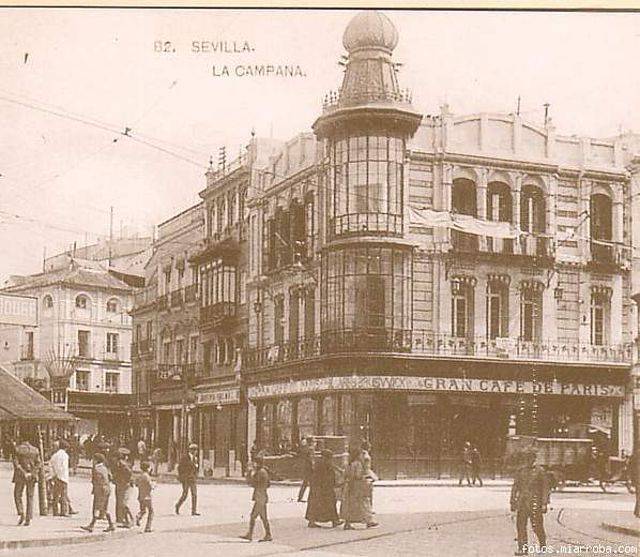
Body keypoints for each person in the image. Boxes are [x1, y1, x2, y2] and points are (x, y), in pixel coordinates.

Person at [510, 450, 550, 556]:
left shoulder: (540, 471)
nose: (529, 460)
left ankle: (543, 546)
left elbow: (545, 488)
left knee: (537, 526)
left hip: (535, 503)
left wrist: (544, 503)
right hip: (522, 503)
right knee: (521, 526)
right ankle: (523, 549)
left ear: (535, 459)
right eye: (527, 458)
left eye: (531, 458)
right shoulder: (521, 471)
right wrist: (512, 501)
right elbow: (515, 486)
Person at [341, 447, 378, 530]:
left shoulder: (349, 463)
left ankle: (347, 523)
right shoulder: (358, 464)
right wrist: (366, 477)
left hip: (350, 485)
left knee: (350, 504)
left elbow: (346, 474)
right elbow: (358, 476)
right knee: (363, 502)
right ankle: (368, 520)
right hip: (357, 485)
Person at [240, 454, 272, 542]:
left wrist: (249, 474)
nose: (253, 464)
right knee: (263, 517)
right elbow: (268, 484)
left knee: (254, 516)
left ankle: (251, 534)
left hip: (260, 497)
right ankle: (267, 534)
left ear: (257, 463)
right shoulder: (263, 471)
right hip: (262, 496)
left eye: (254, 462)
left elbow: (253, 483)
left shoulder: (260, 472)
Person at [306, 449, 342, 528]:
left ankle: (313, 521)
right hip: (323, 488)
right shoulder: (324, 464)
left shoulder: (321, 463)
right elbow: (327, 476)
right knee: (329, 504)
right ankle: (334, 520)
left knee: (316, 504)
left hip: (319, 487)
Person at [81, 453, 115, 533]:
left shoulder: (96, 469)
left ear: (96, 460)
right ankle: (110, 524)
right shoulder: (104, 468)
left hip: (100, 490)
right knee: (104, 508)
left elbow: (97, 481)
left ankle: (92, 525)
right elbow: (110, 477)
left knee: (97, 507)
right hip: (107, 489)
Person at [13, 437, 42, 526]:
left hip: (20, 476)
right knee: (30, 497)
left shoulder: (18, 449)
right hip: (32, 477)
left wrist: (24, 473)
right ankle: (28, 518)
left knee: (17, 494)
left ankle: (21, 512)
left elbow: (16, 464)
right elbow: (39, 464)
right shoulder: (35, 450)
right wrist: (32, 473)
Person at [175, 443, 200, 516]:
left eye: (196, 450)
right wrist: (181, 476)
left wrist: (196, 475)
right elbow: (179, 467)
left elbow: (196, 468)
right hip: (186, 478)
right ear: (191, 450)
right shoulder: (185, 457)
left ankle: (193, 511)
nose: (196, 452)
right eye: (194, 450)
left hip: (192, 478)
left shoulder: (195, 459)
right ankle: (178, 505)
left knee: (194, 494)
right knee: (185, 494)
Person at [112, 448, 134, 526]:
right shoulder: (123, 463)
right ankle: (123, 519)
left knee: (120, 501)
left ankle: (121, 518)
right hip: (123, 484)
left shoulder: (119, 463)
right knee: (122, 502)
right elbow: (129, 473)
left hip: (120, 484)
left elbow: (115, 474)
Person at [50, 439, 70, 516]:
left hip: (55, 477)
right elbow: (64, 467)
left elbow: (51, 465)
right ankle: (63, 511)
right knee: (63, 495)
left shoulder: (54, 455)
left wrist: (54, 475)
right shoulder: (65, 456)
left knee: (56, 495)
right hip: (63, 477)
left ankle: (55, 511)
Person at [135, 461, 154, 533]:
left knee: (143, 510)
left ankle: (138, 516)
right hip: (147, 497)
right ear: (148, 468)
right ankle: (148, 527)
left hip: (140, 496)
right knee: (151, 511)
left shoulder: (140, 476)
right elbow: (150, 486)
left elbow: (136, 484)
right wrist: (154, 485)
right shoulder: (147, 476)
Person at [297, 437, 314, 502]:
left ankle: (300, 497)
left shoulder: (305, 448)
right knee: (312, 483)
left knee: (305, 483)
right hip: (309, 468)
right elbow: (311, 459)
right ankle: (312, 497)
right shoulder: (310, 449)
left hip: (306, 467)